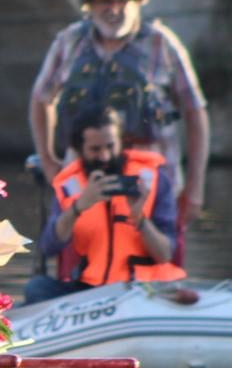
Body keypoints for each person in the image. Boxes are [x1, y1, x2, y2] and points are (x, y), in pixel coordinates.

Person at [29, 0, 209, 261]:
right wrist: (47, 160)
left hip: (153, 183)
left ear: (138, 1)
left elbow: (196, 112)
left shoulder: (162, 44)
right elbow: (40, 99)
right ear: (89, 5)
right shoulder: (69, 43)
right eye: (104, 1)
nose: (113, 10)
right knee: (76, 262)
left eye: (122, 1)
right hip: (83, 180)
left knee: (158, 260)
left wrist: (195, 186)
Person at [24, 106, 186, 304]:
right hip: (91, 292)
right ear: (80, 149)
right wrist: (77, 208)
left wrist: (140, 220)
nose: (105, 157)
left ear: (121, 142)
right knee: (37, 287)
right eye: (95, 149)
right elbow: (48, 246)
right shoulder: (70, 186)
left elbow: (165, 254)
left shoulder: (154, 180)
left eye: (110, 146)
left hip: (144, 289)